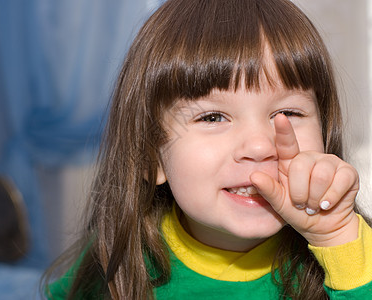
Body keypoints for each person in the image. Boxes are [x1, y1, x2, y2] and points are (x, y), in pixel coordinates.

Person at [44, 0, 372, 298]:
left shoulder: (352, 258)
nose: (259, 146)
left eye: (287, 113)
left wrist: (336, 239)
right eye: (213, 116)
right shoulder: (114, 257)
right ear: (149, 155)